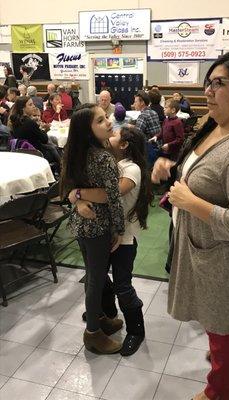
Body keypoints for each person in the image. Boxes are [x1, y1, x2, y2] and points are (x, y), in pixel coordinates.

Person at [152, 51, 229, 400]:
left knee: (220, 320)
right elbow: (202, 173)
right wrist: (171, 168)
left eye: (219, 83)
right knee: (216, 318)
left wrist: (193, 204)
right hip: (204, 249)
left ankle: (217, 391)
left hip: (228, 259)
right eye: (208, 82)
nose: (208, 90)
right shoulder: (214, 125)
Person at [68, 126, 153, 356]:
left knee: (122, 286)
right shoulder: (110, 163)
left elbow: (109, 194)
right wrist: (77, 198)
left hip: (123, 239)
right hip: (107, 234)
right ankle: (105, 315)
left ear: (124, 145)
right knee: (99, 278)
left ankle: (136, 330)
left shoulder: (132, 168)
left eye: (115, 134)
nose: (109, 134)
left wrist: (77, 193)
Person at [60, 103, 125, 354]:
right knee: (96, 279)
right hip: (98, 228)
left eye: (106, 117)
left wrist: (76, 196)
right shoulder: (103, 157)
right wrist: (118, 228)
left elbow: (66, 187)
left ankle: (98, 317)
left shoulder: (74, 152)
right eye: (100, 120)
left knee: (93, 275)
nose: (108, 122)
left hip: (80, 225)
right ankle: (93, 333)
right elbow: (113, 196)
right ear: (87, 131)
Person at [8, 96, 61, 164]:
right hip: (35, 153)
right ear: (23, 108)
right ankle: (61, 168)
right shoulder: (29, 122)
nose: (33, 106)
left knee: (53, 145)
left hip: (21, 153)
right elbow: (44, 139)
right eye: (30, 105)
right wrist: (45, 129)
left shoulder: (15, 120)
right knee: (54, 147)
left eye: (33, 104)